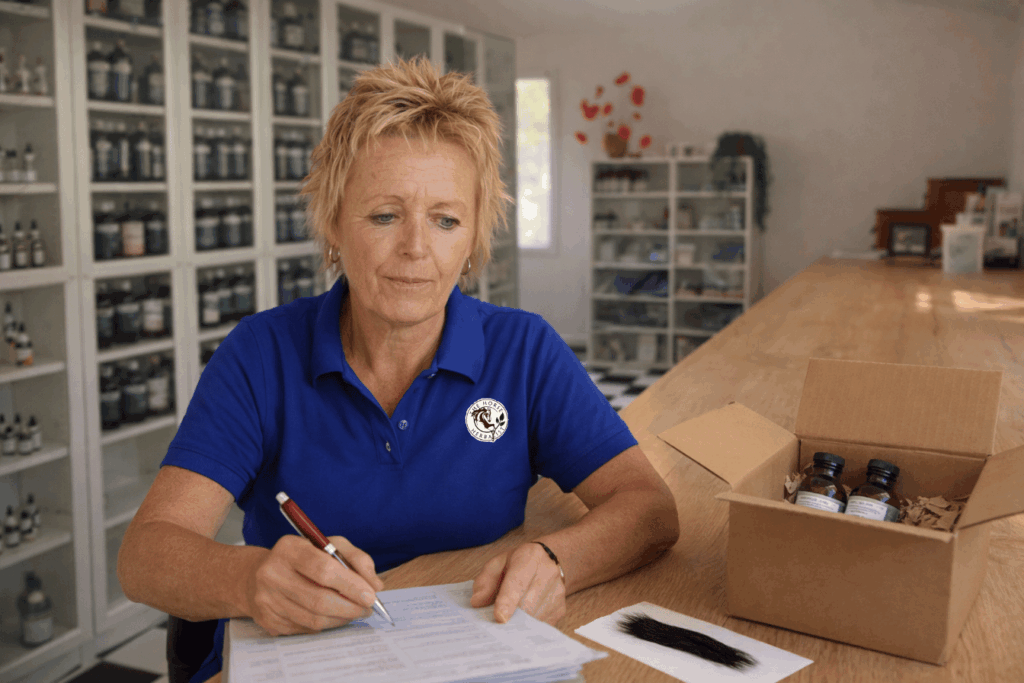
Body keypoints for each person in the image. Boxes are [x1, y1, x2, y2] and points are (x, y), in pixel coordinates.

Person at [118, 57, 679, 683]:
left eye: (446, 220)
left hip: (476, 662)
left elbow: (648, 508)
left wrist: (557, 559)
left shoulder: (524, 350)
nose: (416, 248)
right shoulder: (261, 354)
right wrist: (248, 579)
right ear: (333, 223)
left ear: (474, 239)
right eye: (385, 216)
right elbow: (145, 555)